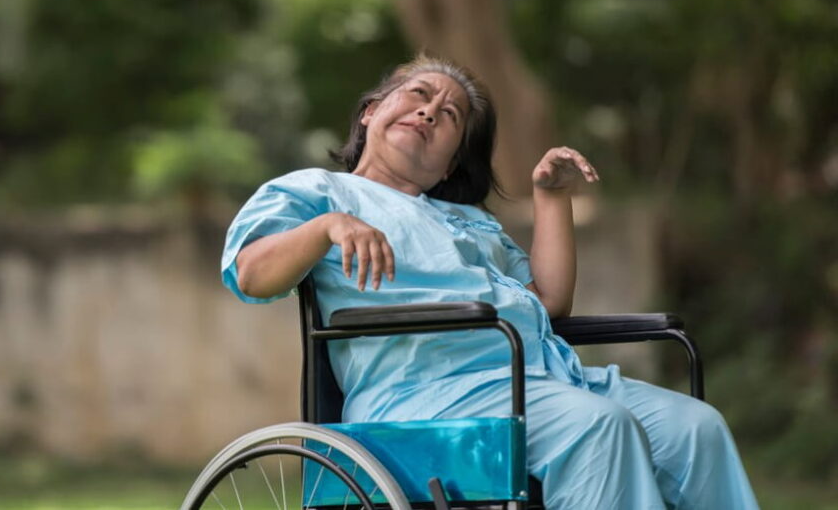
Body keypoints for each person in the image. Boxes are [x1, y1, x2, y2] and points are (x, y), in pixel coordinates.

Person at [221, 54, 759, 509]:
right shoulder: (319, 190)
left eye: (449, 114)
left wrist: (551, 197)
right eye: (417, 95)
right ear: (370, 113)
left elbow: (548, 302)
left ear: (452, 163)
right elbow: (252, 272)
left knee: (696, 428)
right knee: (597, 428)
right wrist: (325, 227)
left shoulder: (469, 220)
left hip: (545, 380)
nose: (430, 110)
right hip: (425, 394)